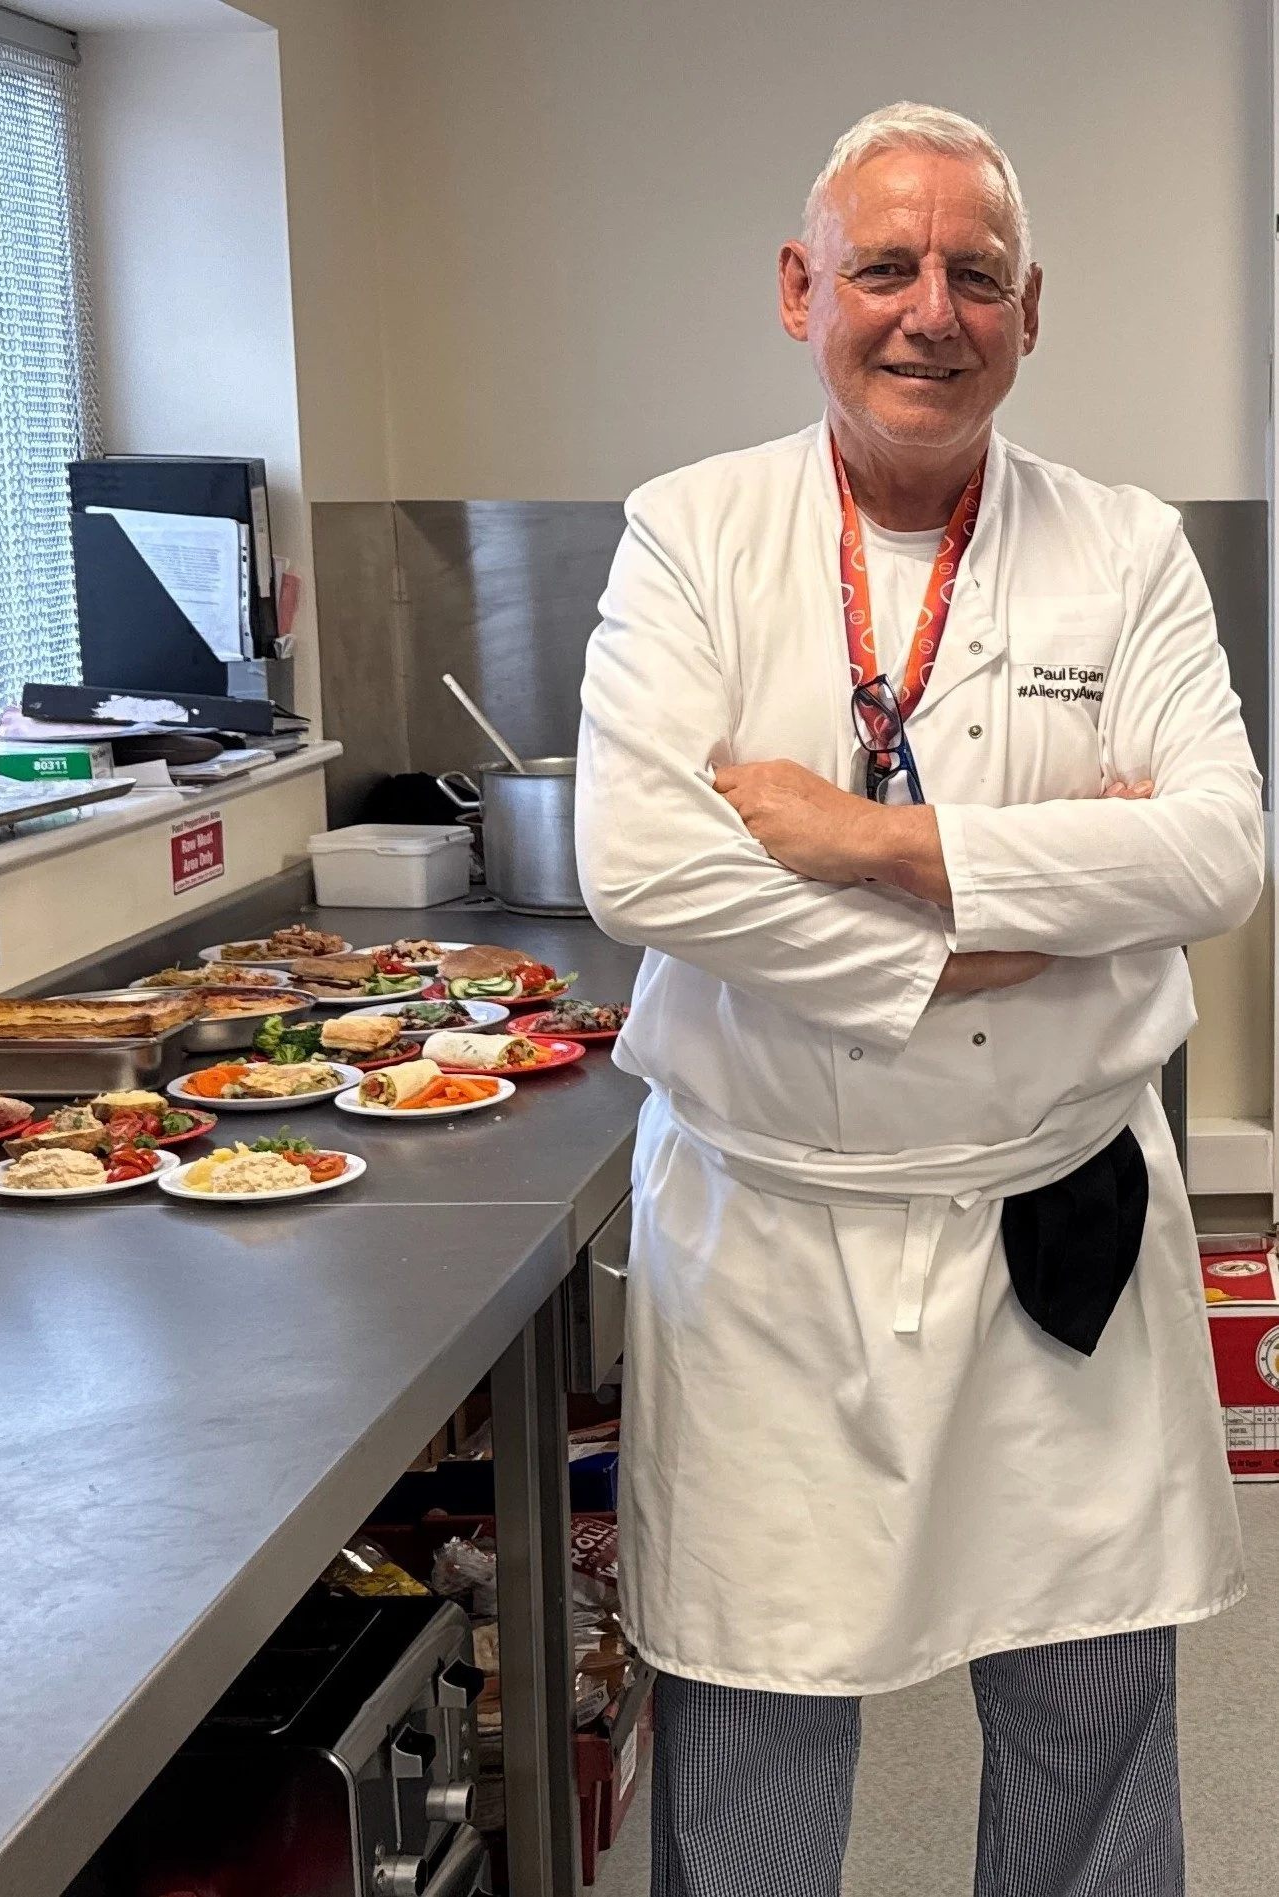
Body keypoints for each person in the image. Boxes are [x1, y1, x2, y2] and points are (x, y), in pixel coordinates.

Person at [575, 101, 1264, 1897]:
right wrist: (980, 932)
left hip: (1055, 1223)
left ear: (1030, 310)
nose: (928, 314)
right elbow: (642, 867)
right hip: (773, 1248)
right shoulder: (692, 533)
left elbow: (1213, 855)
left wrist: (866, 841)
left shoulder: (1123, 547)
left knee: (1087, 1709)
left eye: (974, 274)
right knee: (754, 1731)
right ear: (800, 289)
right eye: (883, 266)